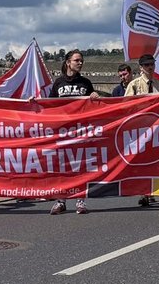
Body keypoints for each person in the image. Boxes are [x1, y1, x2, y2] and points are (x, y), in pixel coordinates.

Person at [47, 50, 99, 215]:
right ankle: (61, 200)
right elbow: (49, 104)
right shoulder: (58, 83)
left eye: (82, 61)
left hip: (81, 130)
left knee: (80, 166)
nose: (80, 63)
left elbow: (93, 105)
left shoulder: (86, 83)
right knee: (62, 166)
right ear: (68, 62)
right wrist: (34, 102)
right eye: (77, 60)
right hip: (63, 131)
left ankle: (80, 200)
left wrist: (94, 95)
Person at [124, 54, 159, 207]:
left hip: (156, 127)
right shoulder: (134, 85)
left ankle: (152, 190)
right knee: (141, 160)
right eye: (147, 65)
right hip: (140, 127)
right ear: (141, 67)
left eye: (152, 64)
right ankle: (144, 192)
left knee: (155, 160)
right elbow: (126, 106)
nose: (150, 67)